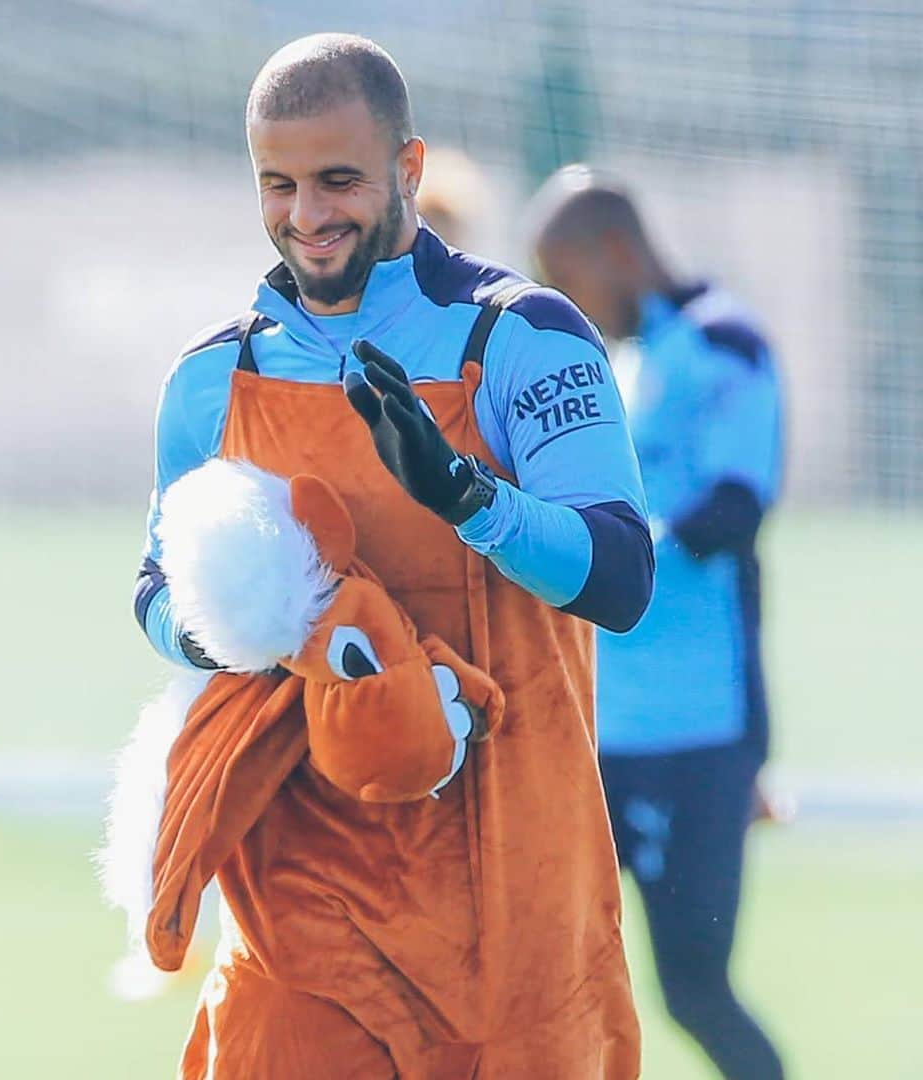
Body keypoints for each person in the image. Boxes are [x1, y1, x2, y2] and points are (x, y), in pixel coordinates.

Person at [131, 36, 653, 1077]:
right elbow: (154, 594)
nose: (306, 215)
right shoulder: (212, 377)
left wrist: (466, 497)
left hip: (511, 908)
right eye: (277, 185)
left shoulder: (524, 338)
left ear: (407, 170)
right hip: (300, 922)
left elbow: (620, 578)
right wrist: (246, 618)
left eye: (338, 181)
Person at [531, 167, 785, 1080]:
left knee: (694, 991)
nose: (568, 305)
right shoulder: (626, 361)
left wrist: (606, 553)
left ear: (616, 253)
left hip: (698, 733)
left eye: (568, 278)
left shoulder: (727, 345)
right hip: (599, 734)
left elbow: (734, 512)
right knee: (547, 980)